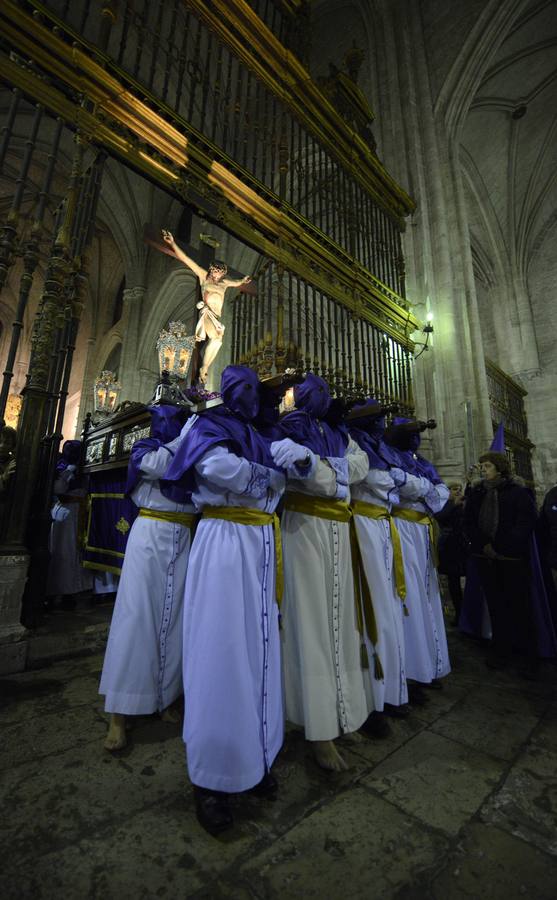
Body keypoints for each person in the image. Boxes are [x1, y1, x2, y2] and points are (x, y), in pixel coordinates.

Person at [164, 365, 315, 835]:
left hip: (262, 544)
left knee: (260, 652)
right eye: (265, 394)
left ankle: (253, 759)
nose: (273, 405)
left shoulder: (258, 431)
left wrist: (300, 461)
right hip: (226, 540)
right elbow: (214, 468)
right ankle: (211, 779)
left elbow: (293, 469)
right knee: (222, 655)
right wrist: (272, 474)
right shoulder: (210, 423)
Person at [278, 374, 374, 773]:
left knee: (343, 625)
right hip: (305, 531)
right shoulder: (288, 427)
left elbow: (362, 464)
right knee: (312, 626)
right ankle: (316, 729)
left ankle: (342, 713)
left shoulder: (337, 431)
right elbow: (300, 471)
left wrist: (327, 470)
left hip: (338, 529)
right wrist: (334, 474)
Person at [99, 405, 196, 751]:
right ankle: (119, 714)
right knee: (137, 618)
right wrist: (186, 440)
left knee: (174, 621)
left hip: (184, 538)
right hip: (151, 534)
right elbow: (161, 466)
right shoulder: (147, 450)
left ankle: (164, 697)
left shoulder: (193, 450)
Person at [348, 400, 410, 727]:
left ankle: (394, 689)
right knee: (369, 609)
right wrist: (394, 480)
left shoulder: (377, 446)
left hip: (383, 527)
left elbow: (395, 483)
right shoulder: (353, 442)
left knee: (390, 610)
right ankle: (372, 698)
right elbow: (378, 480)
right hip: (364, 528)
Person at [383, 419, 451, 698]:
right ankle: (412, 670)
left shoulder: (420, 461)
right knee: (408, 598)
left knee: (428, 598)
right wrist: (424, 489)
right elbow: (401, 489)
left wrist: (423, 488)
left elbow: (441, 492)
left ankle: (431, 665)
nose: (415, 440)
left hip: (423, 532)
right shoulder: (387, 456)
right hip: (402, 531)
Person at [464, 451, 539, 672]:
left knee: (520, 608)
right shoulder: (478, 492)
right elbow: (469, 521)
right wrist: (484, 545)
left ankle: (528, 657)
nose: (484, 470)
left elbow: (525, 523)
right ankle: (501, 650)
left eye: (487, 466)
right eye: (482, 467)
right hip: (486, 559)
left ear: (499, 468)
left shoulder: (517, 492)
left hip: (511, 559)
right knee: (497, 607)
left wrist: (500, 547)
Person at [161, 230, 252, 384]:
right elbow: (187, 260)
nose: (217, 276)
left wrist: (243, 280)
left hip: (217, 318)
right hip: (208, 314)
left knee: (218, 342)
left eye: (220, 274)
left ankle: (205, 367)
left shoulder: (224, 283)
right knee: (216, 340)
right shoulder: (204, 277)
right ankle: (204, 368)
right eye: (215, 272)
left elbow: (237, 283)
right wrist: (172, 243)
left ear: (223, 274)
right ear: (211, 270)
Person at [46, 440, 93, 607]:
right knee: (62, 549)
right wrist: (67, 473)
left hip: (79, 511)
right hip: (65, 512)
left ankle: (73, 591)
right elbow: (58, 488)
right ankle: (58, 590)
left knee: (75, 550)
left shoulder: (86, 465)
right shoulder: (61, 466)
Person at [435, 481, 468, 626]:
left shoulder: (462, 503)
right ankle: (459, 613)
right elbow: (440, 517)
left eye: (459, 489)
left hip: (463, 545)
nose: (458, 491)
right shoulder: (443, 504)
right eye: (455, 489)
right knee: (453, 581)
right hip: (450, 546)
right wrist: (453, 504)